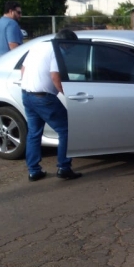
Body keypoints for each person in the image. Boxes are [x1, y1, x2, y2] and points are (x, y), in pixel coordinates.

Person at [21, 28, 82, 182]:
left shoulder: (38, 46)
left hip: (27, 95)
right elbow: (55, 76)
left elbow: (23, 69)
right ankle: (64, 167)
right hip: (44, 98)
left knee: (34, 133)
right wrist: (67, 95)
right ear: (65, 43)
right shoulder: (56, 50)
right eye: (70, 47)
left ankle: (33, 171)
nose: (70, 50)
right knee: (67, 130)